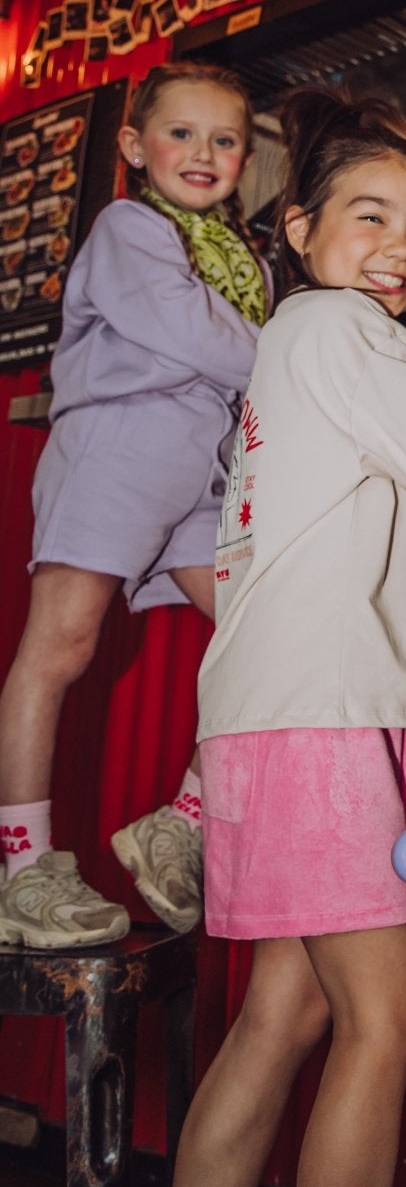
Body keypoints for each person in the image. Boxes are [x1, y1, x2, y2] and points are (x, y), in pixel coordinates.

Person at [93, 88, 406, 1187]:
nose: (400, 249)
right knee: (389, 1020)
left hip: (267, 723)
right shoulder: (343, 329)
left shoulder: (305, 340)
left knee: (281, 1020)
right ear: (299, 228)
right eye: (370, 216)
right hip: (319, 720)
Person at [0, 62, 268, 947]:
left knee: (263, 630)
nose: (203, 152)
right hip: (117, 451)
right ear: (134, 145)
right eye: (181, 133)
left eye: (224, 139)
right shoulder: (129, 225)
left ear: (246, 157)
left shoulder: (240, 255)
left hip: (200, 468)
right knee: (61, 645)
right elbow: (187, 330)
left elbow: (228, 353)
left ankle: (180, 823)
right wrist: (296, 358)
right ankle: (22, 865)